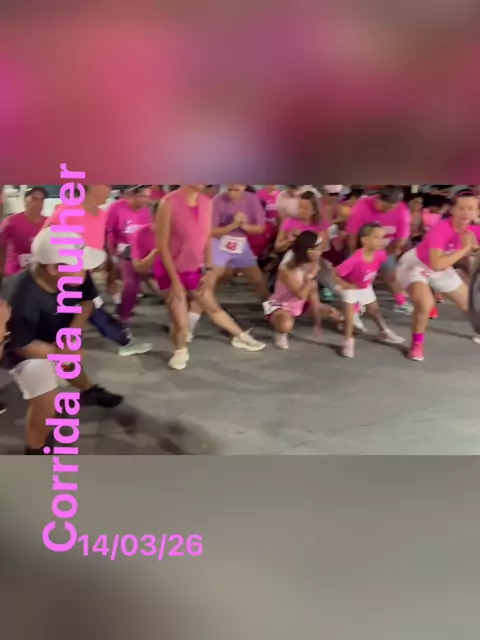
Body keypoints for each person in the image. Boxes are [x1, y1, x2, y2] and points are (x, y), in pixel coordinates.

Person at [3, 227, 124, 455]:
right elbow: (23, 345)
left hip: (55, 333)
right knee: (46, 402)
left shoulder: (76, 274)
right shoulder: (20, 295)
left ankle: (89, 390)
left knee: (69, 364)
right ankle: (35, 449)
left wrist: (70, 334)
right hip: (23, 348)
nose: (87, 269)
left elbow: (86, 303)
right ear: (52, 268)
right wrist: (60, 352)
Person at [155, 185, 265, 370]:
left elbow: (206, 238)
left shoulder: (206, 202)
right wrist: (175, 281)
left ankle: (240, 336)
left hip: (194, 268)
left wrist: (208, 268)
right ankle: (180, 350)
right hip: (170, 269)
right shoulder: (168, 202)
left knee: (211, 305)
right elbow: (162, 245)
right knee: (179, 316)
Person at [396, 192, 480, 362]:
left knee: (470, 304)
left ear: (477, 211)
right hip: (415, 266)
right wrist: (465, 249)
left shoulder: (474, 230)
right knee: (425, 304)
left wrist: (473, 249)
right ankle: (416, 345)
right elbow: (436, 264)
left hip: (443, 268)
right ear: (452, 210)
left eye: (471, 208)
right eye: (462, 208)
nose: (466, 213)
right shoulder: (440, 229)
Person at [334, 223, 405, 358]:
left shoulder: (380, 254)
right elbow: (335, 273)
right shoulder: (355, 259)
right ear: (364, 240)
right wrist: (345, 285)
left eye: (382, 237)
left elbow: (385, 270)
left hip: (366, 286)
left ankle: (384, 331)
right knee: (350, 319)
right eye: (376, 237)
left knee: (374, 310)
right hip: (352, 288)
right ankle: (348, 342)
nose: (381, 241)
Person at [267, 231, 342, 349]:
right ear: (308, 250)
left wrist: (317, 323)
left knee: (334, 313)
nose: (320, 253)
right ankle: (280, 332)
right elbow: (301, 295)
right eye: (317, 249)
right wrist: (310, 277)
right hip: (280, 305)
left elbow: (313, 294)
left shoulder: (313, 264)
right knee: (286, 325)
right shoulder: (286, 270)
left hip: (300, 305)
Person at [346, 185, 412, 314]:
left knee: (390, 276)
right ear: (378, 198)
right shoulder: (362, 206)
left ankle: (401, 302)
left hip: (386, 247)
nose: (386, 210)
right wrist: (354, 256)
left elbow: (401, 240)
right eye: (383, 206)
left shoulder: (403, 212)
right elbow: (352, 234)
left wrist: (384, 256)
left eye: (390, 208)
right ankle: (356, 305)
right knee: (358, 276)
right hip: (362, 246)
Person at [105, 185, 154, 355]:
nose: (146, 200)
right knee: (130, 284)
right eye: (143, 196)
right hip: (122, 251)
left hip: (142, 250)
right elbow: (109, 232)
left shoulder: (148, 211)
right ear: (133, 195)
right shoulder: (117, 208)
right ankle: (123, 316)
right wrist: (111, 255)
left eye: (148, 197)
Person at [208, 185, 271, 306]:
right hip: (219, 241)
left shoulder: (252, 200)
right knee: (212, 277)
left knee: (258, 280)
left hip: (241, 243)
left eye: (236, 190)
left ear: (243, 187)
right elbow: (211, 231)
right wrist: (232, 226)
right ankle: (197, 309)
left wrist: (244, 226)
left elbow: (260, 228)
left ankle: (271, 309)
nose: (232, 193)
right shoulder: (218, 200)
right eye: (229, 189)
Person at [0, 186, 47, 278]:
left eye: (41, 200)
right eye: (34, 198)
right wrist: (2, 271)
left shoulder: (48, 223)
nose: (38, 203)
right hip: (14, 274)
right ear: (25, 201)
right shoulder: (11, 221)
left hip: (39, 276)